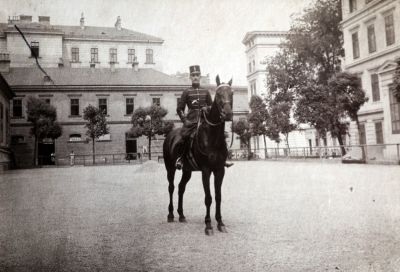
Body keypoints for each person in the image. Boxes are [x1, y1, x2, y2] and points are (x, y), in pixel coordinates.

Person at [175, 65, 233, 170]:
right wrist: (185, 121)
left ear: (200, 76)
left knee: (220, 135)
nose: (195, 77)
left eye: (197, 75)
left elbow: (211, 106)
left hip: (204, 119)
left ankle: (223, 159)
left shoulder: (205, 91)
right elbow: (179, 109)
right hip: (191, 120)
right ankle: (181, 159)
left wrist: (206, 108)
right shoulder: (186, 92)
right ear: (190, 77)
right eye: (193, 75)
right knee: (183, 137)